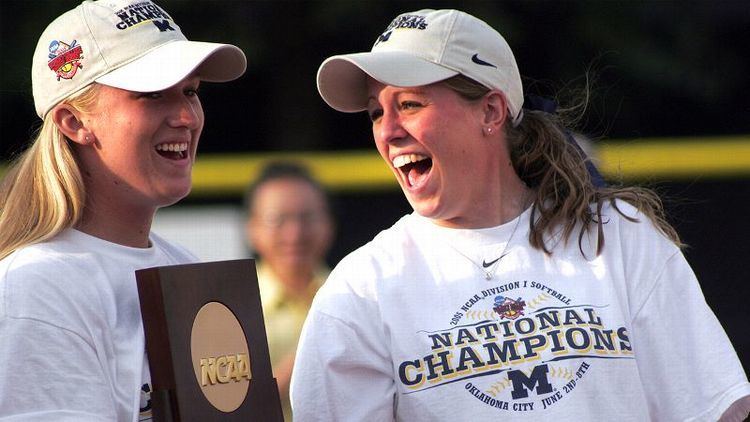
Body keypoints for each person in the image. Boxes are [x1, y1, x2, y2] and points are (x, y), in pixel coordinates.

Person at [290, 9, 750, 421]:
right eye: (375, 113)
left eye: (409, 104)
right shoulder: (361, 287)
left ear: (490, 110)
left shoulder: (617, 236)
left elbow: (712, 408)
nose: (388, 131)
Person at [0, 0, 246, 420]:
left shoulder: (185, 268)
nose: (186, 116)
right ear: (74, 122)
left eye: (190, 91)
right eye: (152, 94)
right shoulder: (38, 287)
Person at [244, 161, 335, 421]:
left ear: (328, 224)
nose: (294, 234)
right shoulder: (233, 309)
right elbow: (231, 409)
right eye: (278, 220)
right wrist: (308, 359)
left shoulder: (357, 296)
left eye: (307, 218)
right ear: (252, 229)